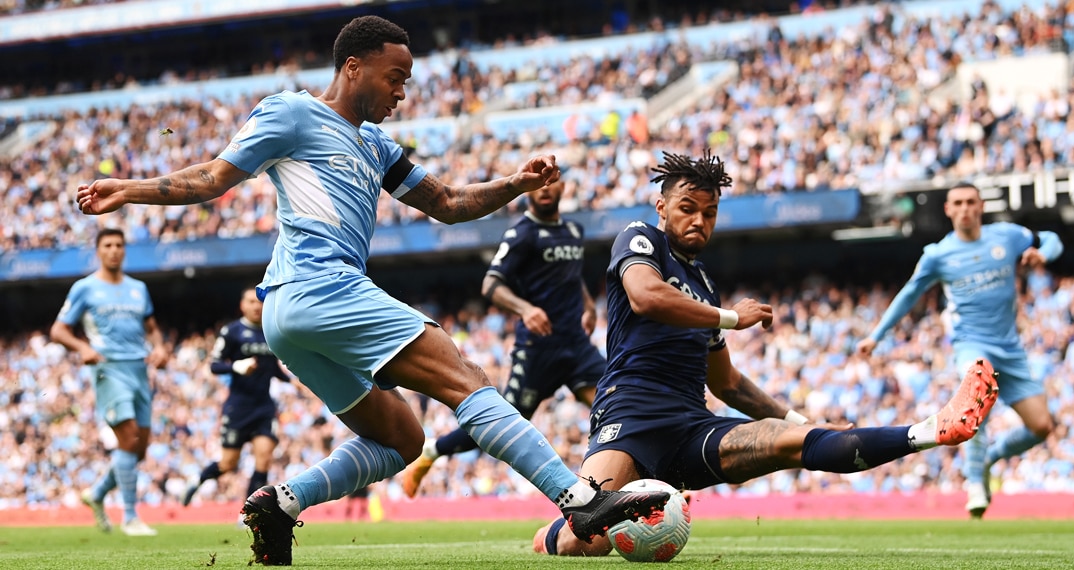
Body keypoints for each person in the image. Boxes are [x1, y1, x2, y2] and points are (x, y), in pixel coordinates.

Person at [76, 15, 669, 566]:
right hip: (320, 287)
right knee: (464, 379)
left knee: (402, 438)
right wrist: (131, 188)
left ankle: (282, 502)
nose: (402, 92)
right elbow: (212, 177)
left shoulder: (378, 146)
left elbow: (447, 203)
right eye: (396, 77)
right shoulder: (290, 113)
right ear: (353, 67)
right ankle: (578, 499)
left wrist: (514, 183)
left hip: (289, 316)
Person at [533, 151, 999, 556]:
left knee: (792, 442)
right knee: (587, 539)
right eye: (687, 208)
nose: (699, 221)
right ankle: (548, 536)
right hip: (630, 415)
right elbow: (645, 296)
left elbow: (728, 384)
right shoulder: (641, 239)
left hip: (690, 426)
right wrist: (730, 317)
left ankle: (931, 430)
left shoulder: (703, 284)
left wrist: (801, 422)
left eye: (710, 213)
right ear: (661, 207)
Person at [856, 182, 1064, 519]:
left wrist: (1044, 254)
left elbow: (1052, 239)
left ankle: (992, 457)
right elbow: (910, 293)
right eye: (958, 203)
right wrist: (876, 335)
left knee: (1041, 426)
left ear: (981, 206)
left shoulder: (1006, 236)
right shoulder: (938, 254)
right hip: (972, 343)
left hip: (1011, 349)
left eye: (971, 202)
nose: (965, 208)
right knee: (976, 392)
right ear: (948, 210)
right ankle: (974, 483)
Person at [401, 179, 606, 498]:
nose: (546, 189)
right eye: (540, 184)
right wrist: (526, 310)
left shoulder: (574, 232)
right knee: (503, 426)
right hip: (538, 349)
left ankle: (616, 484)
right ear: (530, 191)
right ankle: (434, 451)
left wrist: (589, 305)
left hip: (578, 345)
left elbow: (571, 274)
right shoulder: (521, 233)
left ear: (565, 187)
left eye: (553, 183)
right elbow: (491, 285)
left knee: (613, 406)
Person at [50, 227, 169, 537]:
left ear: (124, 250)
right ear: (98, 251)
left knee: (139, 448)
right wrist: (83, 347)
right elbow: (59, 330)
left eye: (119, 245)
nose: (114, 250)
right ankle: (130, 516)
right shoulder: (85, 288)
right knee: (127, 437)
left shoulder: (138, 288)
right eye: (108, 245)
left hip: (139, 369)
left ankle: (98, 493)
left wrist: (159, 347)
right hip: (108, 368)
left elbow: (152, 327)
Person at [181, 287, 296, 509]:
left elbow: (273, 369)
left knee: (263, 459)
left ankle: (249, 512)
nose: (256, 306)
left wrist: (293, 381)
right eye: (251, 302)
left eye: (259, 302)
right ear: (242, 305)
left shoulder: (270, 332)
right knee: (228, 464)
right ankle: (197, 480)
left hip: (264, 407)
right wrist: (236, 366)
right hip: (238, 407)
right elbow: (214, 364)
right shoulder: (231, 332)